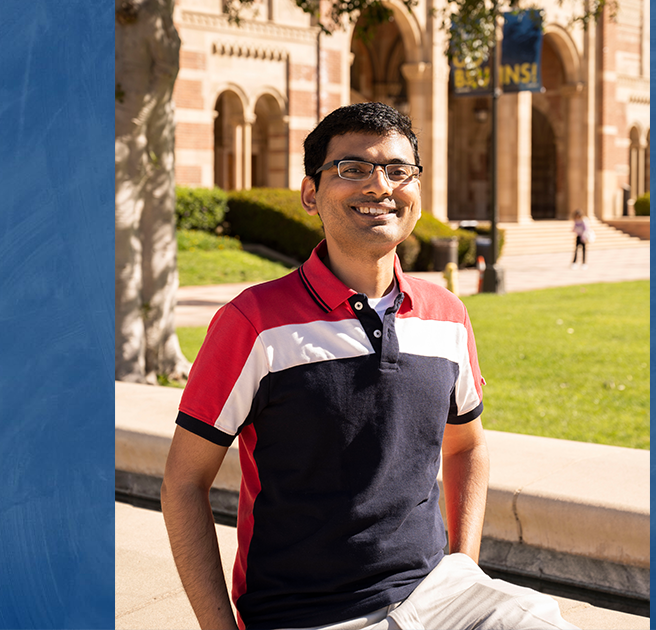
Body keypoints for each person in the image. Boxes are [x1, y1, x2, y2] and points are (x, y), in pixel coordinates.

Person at [161, 102, 578, 630]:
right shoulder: (252, 322)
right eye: (352, 169)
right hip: (306, 614)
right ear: (311, 193)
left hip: (436, 593)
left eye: (398, 170)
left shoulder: (448, 315)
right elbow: (183, 482)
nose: (380, 186)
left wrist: (464, 567)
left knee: (541, 620)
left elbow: (467, 446)